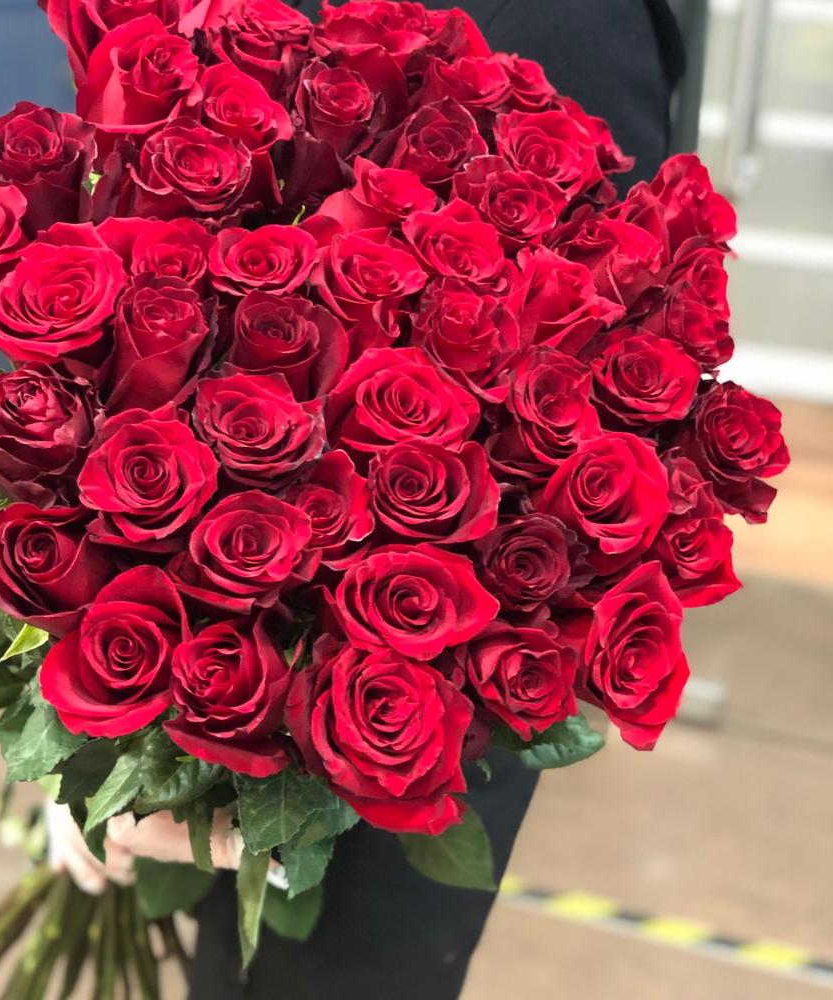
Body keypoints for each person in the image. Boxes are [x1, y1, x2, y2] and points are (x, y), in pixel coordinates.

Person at [42, 4, 688, 998]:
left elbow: (596, 378)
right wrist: (83, 724)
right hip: (216, 617)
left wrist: (236, 765)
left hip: (399, 679)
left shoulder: (565, 28)